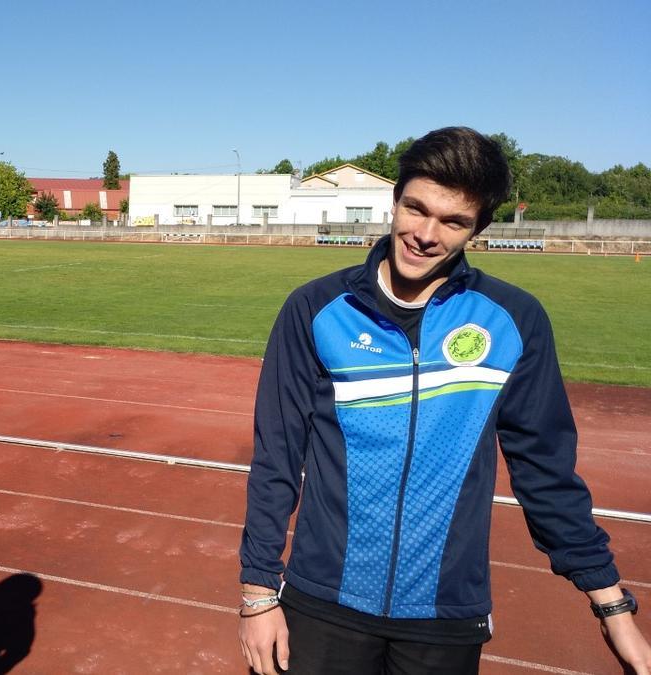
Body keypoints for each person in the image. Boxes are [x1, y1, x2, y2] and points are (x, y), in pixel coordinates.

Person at [237, 127, 649, 674]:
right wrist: (258, 594)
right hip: (322, 604)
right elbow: (277, 458)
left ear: (477, 228)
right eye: (416, 208)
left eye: (452, 221)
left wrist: (611, 602)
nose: (425, 234)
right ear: (395, 200)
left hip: (446, 615)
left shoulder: (511, 320)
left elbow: (544, 470)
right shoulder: (315, 309)